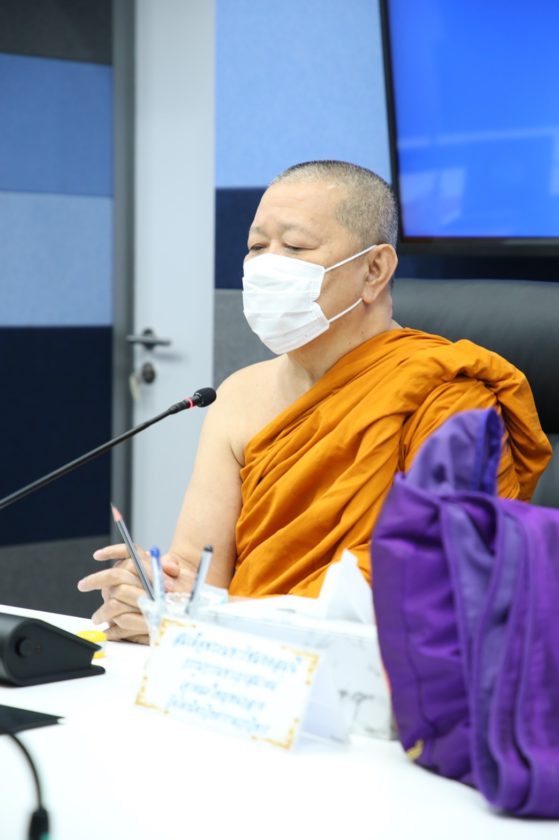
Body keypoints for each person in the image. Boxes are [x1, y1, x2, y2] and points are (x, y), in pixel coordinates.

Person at [78, 160, 552, 643]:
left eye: (295, 247)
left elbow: (436, 589)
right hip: (235, 666)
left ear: (374, 269)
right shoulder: (238, 395)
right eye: (256, 247)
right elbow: (198, 580)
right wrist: (151, 598)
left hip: (369, 673)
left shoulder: (448, 397)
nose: (267, 265)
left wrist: (206, 620)